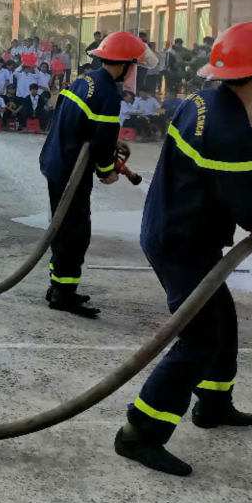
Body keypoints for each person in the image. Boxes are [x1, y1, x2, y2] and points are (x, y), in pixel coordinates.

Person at [116, 21, 252, 477]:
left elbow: (229, 185)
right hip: (182, 244)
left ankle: (214, 404)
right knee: (199, 340)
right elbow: (247, 209)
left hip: (174, 229)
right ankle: (139, 434)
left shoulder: (200, 102)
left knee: (222, 319)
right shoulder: (232, 129)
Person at [39, 30, 156, 317]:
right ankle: (63, 293)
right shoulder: (107, 92)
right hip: (71, 170)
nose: (134, 72)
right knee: (76, 232)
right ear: (125, 64)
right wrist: (106, 171)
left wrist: (110, 143)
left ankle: (58, 284)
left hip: (57, 160)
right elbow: (101, 138)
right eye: (134, 66)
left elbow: (80, 123)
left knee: (63, 227)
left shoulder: (85, 80)